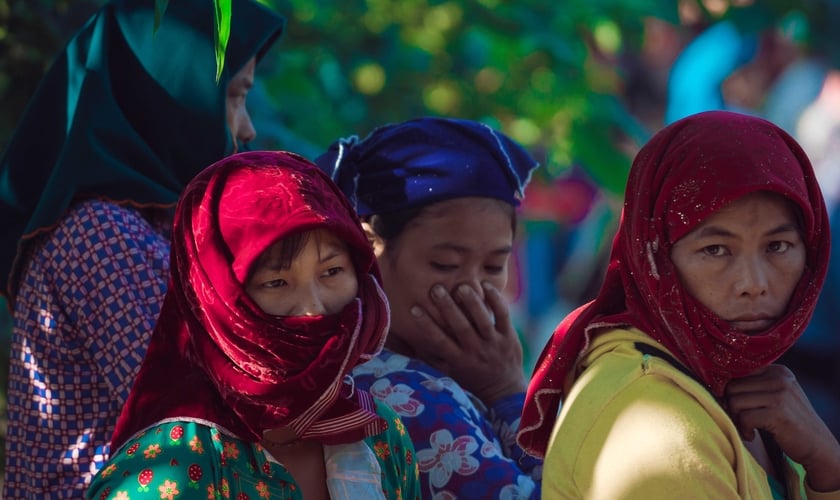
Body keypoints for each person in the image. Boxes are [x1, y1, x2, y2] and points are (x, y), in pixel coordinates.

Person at [0, 0, 284, 496]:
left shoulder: (147, 228)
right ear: (176, 99)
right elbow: (215, 416)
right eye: (235, 98)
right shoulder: (105, 236)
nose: (247, 129)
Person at [518, 110, 840, 497]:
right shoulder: (652, 427)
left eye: (778, 246)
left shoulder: (742, 382)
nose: (754, 284)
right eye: (715, 249)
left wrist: (826, 465)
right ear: (655, 257)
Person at [86, 150, 419, 500]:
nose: (312, 310)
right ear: (218, 303)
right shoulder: (174, 466)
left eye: (332, 272)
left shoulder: (381, 437)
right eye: (275, 283)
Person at [315, 116, 543, 499]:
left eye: (493, 267)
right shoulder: (408, 397)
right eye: (446, 265)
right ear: (369, 248)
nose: (471, 288)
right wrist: (505, 391)